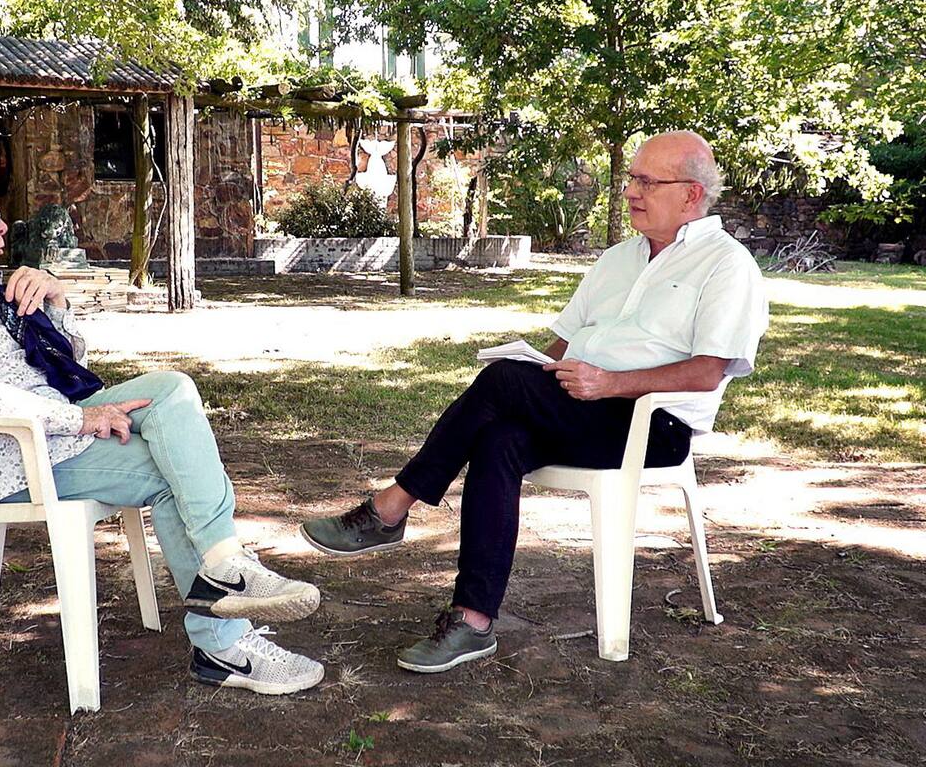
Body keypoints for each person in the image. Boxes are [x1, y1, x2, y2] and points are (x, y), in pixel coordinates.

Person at [301, 131, 768, 674]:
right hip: (580, 406)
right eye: (630, 179)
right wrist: (540, 376)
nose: (631, 192)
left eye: (646, 181)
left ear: (691, 194)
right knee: (499, 437)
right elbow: (563, 343)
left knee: (502, 381)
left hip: (652, 423)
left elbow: (708, 371)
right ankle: (472, 621)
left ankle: (390, 509)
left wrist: (608, 384)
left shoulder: (726, 266)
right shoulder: (619, 258)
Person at [0, 164, 323, 695]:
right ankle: (223, 643)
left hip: (55, 430)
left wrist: (56, 306)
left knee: (172, 388)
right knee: (172, 472)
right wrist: (77, 418)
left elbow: (65, 363)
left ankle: (224, 566)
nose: (3, 226)